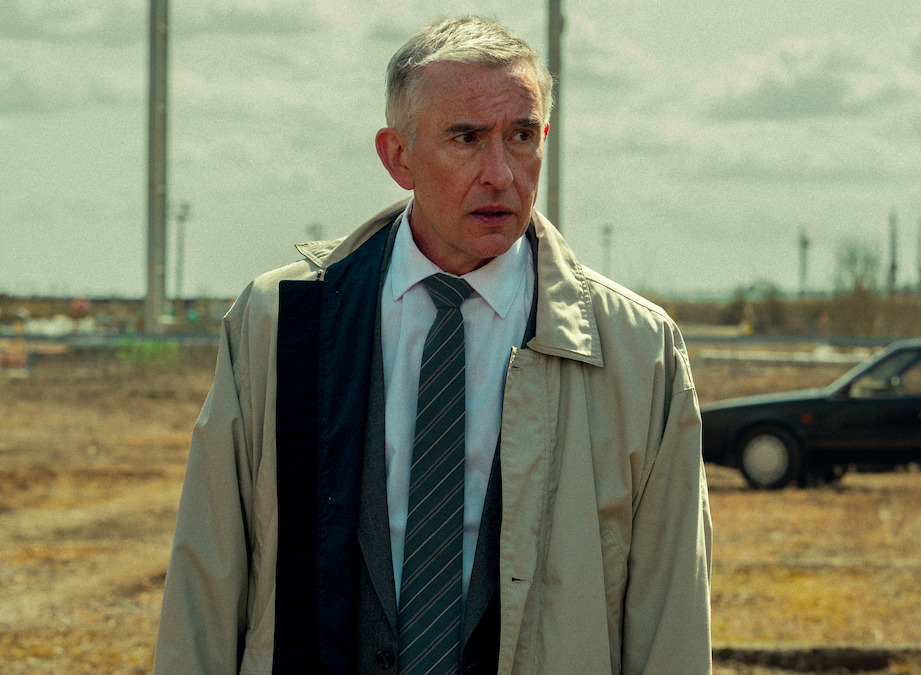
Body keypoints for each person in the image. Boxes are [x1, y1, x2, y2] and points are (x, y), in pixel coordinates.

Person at [153, 16, 712, 675]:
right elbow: (207, 580)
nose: (501, 173)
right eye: (467, 139)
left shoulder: (637, 352)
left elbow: (671, 616)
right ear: (399, 157)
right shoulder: (279, 322)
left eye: (522, 136)